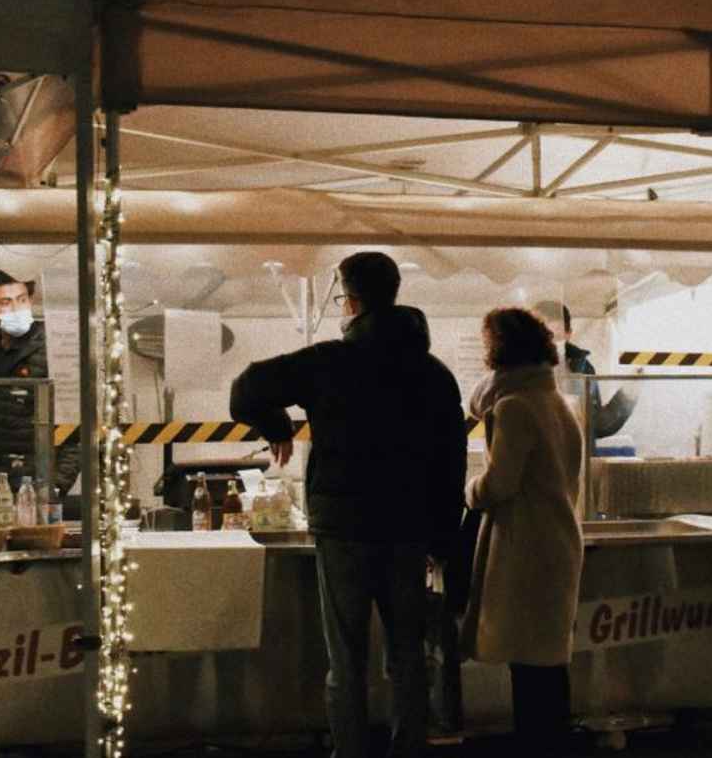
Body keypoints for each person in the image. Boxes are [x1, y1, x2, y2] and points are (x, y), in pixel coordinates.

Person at [230, 252, 466, 758]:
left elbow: (245, 388)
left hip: (343, 530)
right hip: (409, 530)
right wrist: (445, 536)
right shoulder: (434, 374)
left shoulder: (329, 361)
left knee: (346, 656)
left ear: (352, 301)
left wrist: (277, 427)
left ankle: (351, 752)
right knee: (408, 655)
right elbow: (452, 462)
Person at [462, 308, 584, 756]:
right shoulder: (559, 404)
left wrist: (469, 490)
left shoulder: (513, 408)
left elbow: (500, 484)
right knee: (549, 663)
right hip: (559, 540)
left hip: (525, 548)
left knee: (527, 665)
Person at [0, 267, 79, 496]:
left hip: (41, 479)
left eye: (22, 300)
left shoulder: (55, 346)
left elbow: (76, 429)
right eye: (6, 302)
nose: (16, 308)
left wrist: (56, 486)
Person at [531, 300, 636, 441]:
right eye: (540, 337)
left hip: (576, 459)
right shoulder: (514, 370)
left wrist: (628, 395)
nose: (549, 345)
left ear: (569, 334)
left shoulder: (584, 368)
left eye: (555, 337)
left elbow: (598, 425)